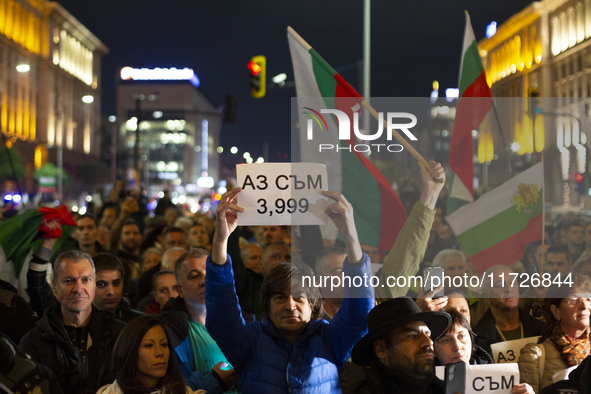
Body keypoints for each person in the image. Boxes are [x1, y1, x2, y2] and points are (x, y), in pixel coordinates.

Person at [206, 188, 374, 393]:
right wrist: (221, 240)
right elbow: (222, 310)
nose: (290, 305)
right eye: (279, 297)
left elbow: (359, 311)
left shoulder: (329, 339)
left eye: (299, 297)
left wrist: (350, 234)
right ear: (266, 305)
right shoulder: (249, 342)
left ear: (313, 306)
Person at [19, 249, 125, 394]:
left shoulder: (121, 335)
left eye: (85, 280)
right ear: (55, 286)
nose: (78, 289)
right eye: (69, 281)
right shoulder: (33, 341)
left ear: (94, 283)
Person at [161, 248, 239, 393]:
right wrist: (215, 381)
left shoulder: (237, 320)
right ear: (180, 290)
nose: (204, 281)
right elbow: (169, 388)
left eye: (209, 274)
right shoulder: (170, 334)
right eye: (194, 276)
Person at [350, 297, 450, 394]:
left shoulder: (440, 388)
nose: (429, 342)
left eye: (428, 335)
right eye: (412, 336)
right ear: (380, 349)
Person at [518, 273, 591, 393]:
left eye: (588, 299)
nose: (584, 306)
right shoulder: (535, 355)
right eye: (573, 300)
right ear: (555, 311)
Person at [97, 315, 206, 394]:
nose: (160, 353)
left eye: (164, 344)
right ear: (130, 351)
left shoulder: (184, 391)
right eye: (149, 345)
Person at [472, 265, 543, 356]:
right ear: (487, 297)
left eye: (512, 282)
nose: (509, 289)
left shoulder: (539, 328)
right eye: (500, 285)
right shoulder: (476, 338)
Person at [93, 253, 143, 322]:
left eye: (116, 283)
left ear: (122, 283)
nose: (111, 292)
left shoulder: (139, 322)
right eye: (101, 284)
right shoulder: (76, 324)